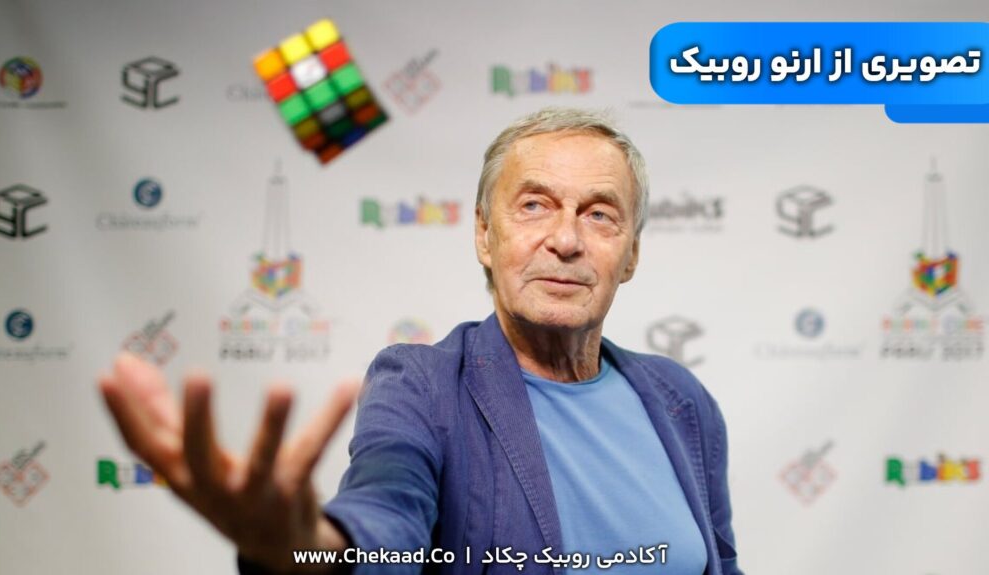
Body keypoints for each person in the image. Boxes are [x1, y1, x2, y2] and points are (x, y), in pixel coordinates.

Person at [99, 107, 743, 575]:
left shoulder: (680, 399)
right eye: (534, 205)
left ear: (630, 255)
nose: (567, 239)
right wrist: (304, 547)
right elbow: (386, 515)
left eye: (600, 214)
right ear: (484, 235)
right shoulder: (423, 385)